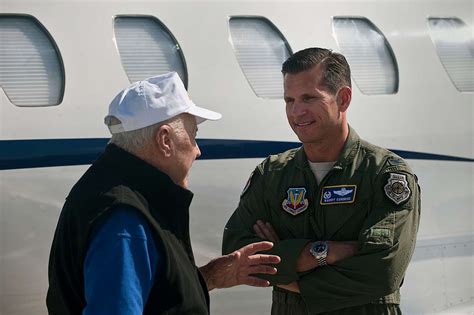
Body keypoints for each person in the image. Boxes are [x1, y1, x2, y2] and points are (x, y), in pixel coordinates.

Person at [46, 71, 280, 315]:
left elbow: (152, 295)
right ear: (165, 140)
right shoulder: (125, 220)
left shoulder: (110, 191)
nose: (197, 150)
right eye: (193, 136)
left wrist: (210, 276)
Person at [222, 47, 421, 314]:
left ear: (343, 99)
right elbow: (237, 252)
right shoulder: (272, 175)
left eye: (308, 98)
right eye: (289, 100)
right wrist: (320, 253)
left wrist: (286, 270)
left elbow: (382, 272)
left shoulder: (384, 175)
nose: (296, 112)